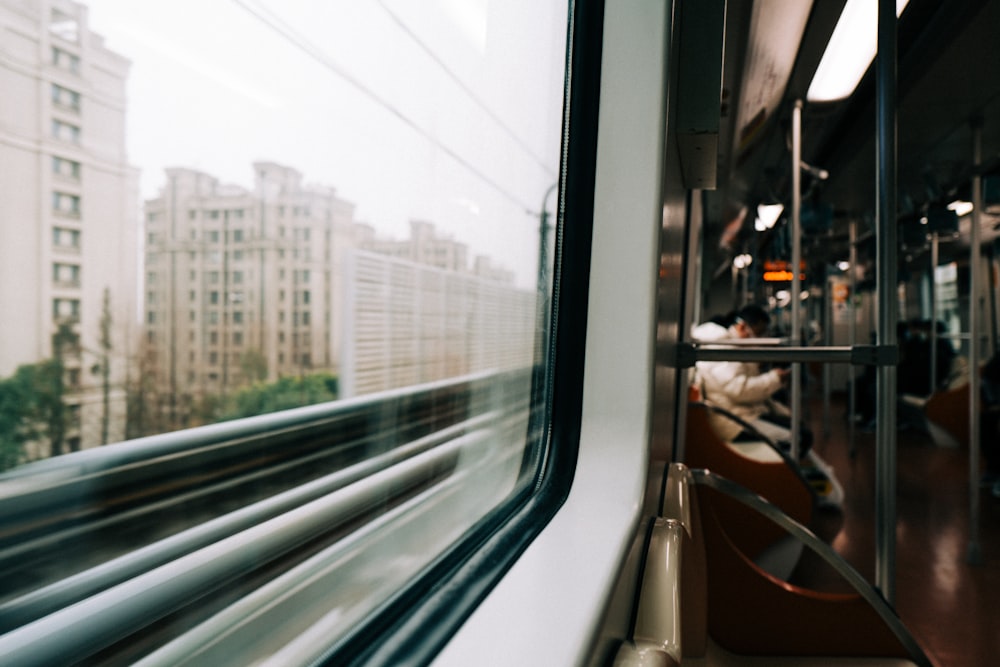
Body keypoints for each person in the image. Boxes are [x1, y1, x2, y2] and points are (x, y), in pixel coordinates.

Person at [691, 304, 800, 449]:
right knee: (796, 438)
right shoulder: (723, 347)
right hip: (732, 422)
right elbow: (738, 390)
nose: (761, 340)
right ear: (742, 328)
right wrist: (775, 379)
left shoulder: (734, 347)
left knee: (797, 429)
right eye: (759, 333)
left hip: (742, 413)